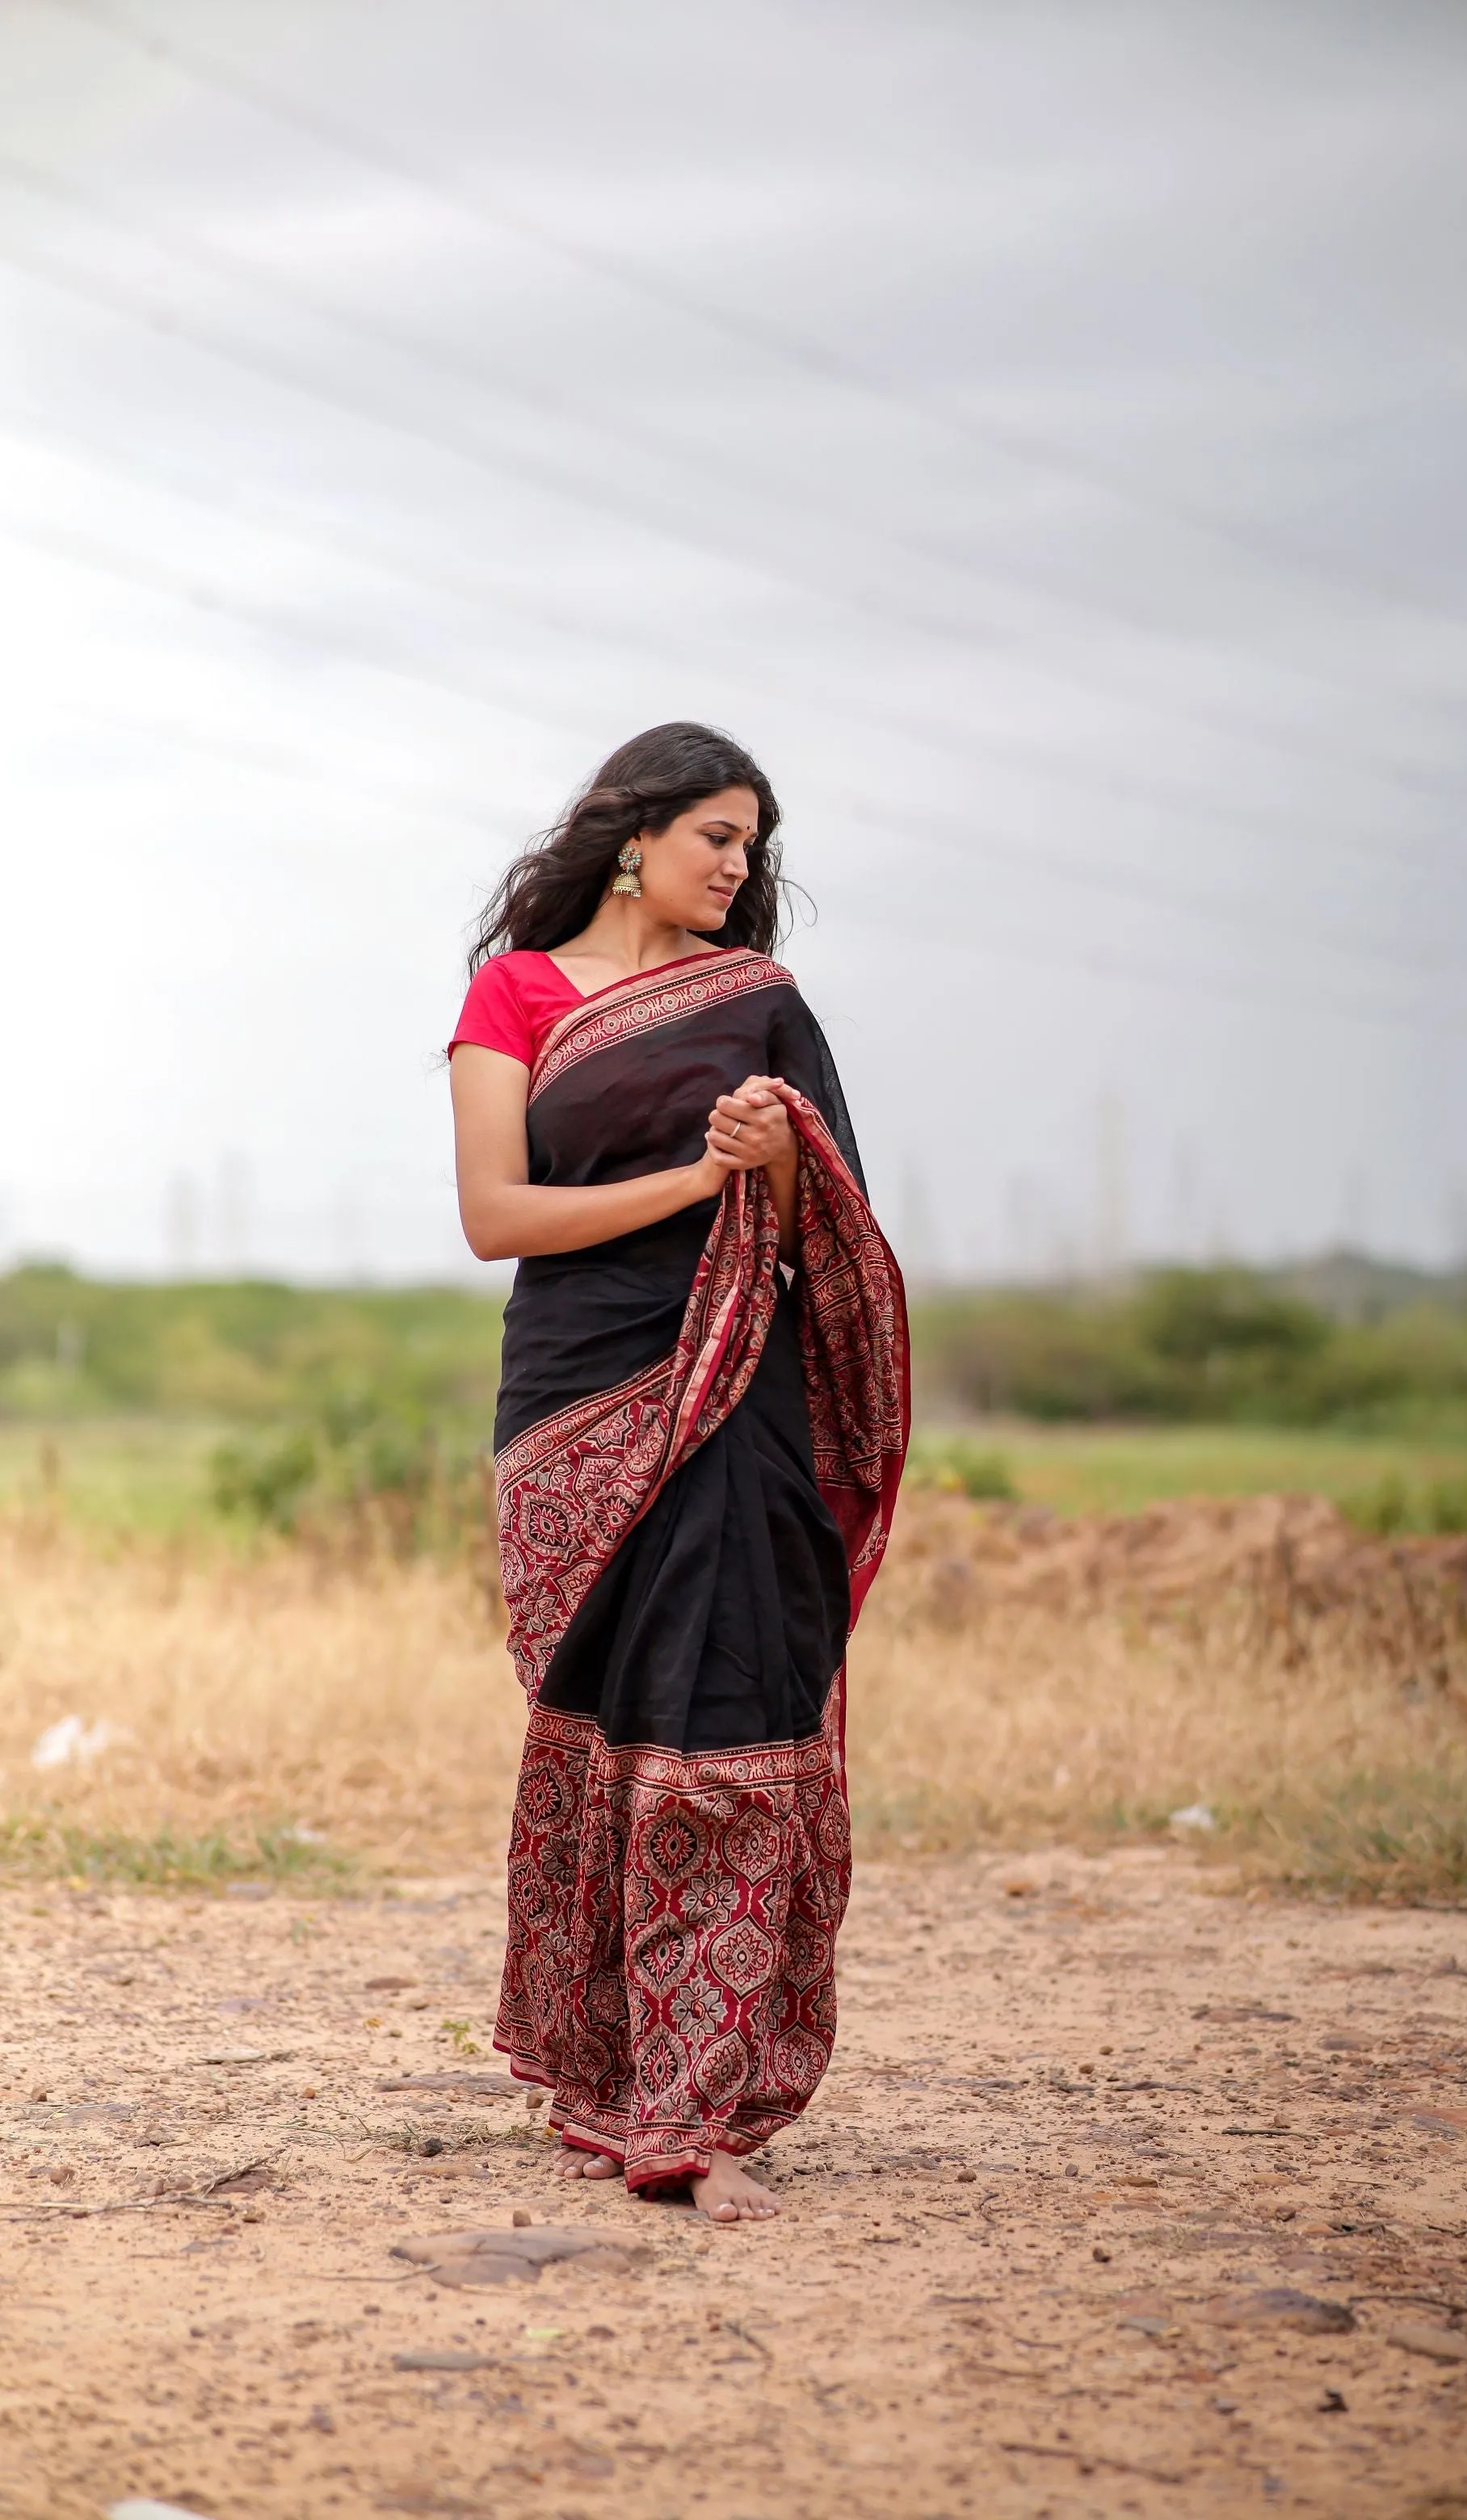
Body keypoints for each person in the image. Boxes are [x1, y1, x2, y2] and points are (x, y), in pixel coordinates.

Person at [448, 721, 908, 2225]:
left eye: (753, 847)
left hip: (738, 1404)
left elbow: (829, 1205)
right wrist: (696, 1176)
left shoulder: (760, 1004)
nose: (740, 867)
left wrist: (771, 1153)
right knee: (607, 1721)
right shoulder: (513, 994)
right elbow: (496, 1217)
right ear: (635, 834)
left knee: (727, 1715)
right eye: (719, 835)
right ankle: (607, 2068)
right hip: (575, 1403)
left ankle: (688, 2114)